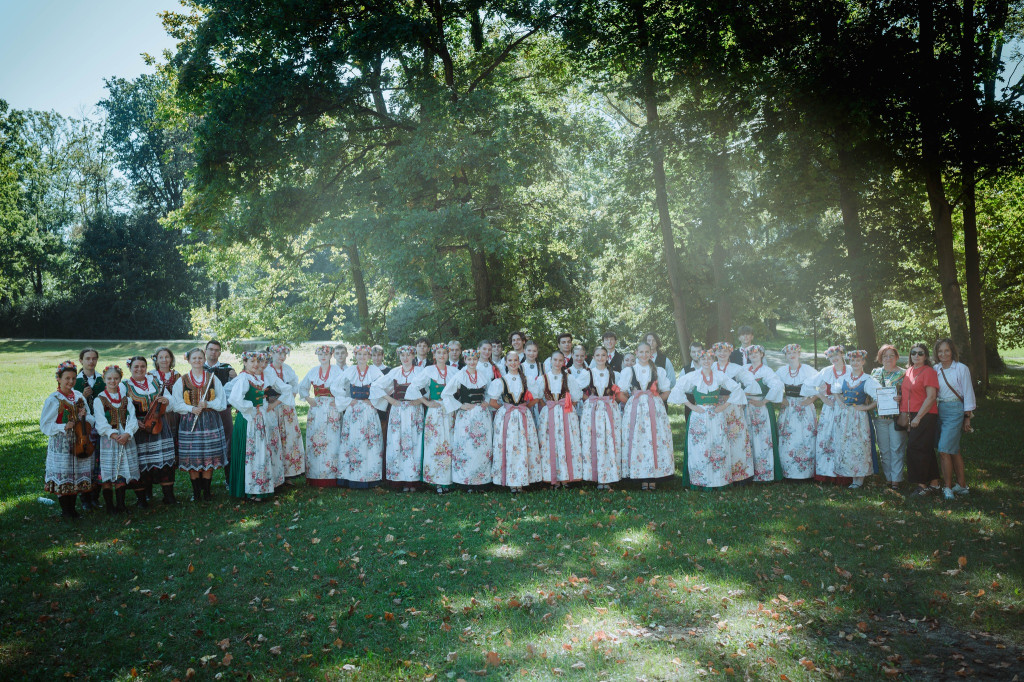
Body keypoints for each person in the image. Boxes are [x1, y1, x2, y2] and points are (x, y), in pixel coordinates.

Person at [668, 349, 748, 489]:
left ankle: (719, 481)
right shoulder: (693, 376)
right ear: (699, 360)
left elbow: (737, 389)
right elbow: (677, 390)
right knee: (700, 448)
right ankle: (701, 481)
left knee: (718, 445)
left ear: (713, 361)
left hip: (716, 415)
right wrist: (691, 406)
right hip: (699, 415)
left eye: (709, 359)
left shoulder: (719, 375)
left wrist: (724, 406)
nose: (706, 361)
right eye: (703, 359)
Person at [171, 347, 228, 501]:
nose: (197, 361)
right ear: (189, 360)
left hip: (210, 421)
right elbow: (176, 404)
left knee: (208, 455)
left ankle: (207, 492)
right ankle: (196, 493)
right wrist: (192, 408)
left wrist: (208, 403)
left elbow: (222, 402)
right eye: (194, 358)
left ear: (204, 360)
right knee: (193, 456)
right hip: (190, 422)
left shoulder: (212, 378)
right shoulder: (181, 380)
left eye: (200, 358)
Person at [617, 342, 674, 490]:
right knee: (638, 439)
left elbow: (666, 390)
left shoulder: (658, 370)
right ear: (636, 353)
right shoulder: (630, 371)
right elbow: (620, 391)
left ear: (651, 353)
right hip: (635, 409)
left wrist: (655, 401)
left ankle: (654, 475)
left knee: (654, 438)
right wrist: (631, 401)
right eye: (641, 352)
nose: (644, 355)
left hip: (654, 409)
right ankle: (640, 474)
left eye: (646, 352)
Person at [42, 361, 94, 519]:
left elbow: (91, 418)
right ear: (58, 378)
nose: (70, 382)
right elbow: (45, 426)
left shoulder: (78, 396)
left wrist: (85, 416)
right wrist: (63, 426)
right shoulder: (53, 399)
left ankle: (73, 509)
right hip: (62, 443)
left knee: (75, 474)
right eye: (66, 378)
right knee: (64, 474)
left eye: (73, 378)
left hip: (79, 440)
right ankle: (67, 511)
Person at [227, 351, 280, 501]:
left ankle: (259, 487)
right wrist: (251, 408)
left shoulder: (255, 378)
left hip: (257, 418)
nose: (255, 364)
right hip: (248, 420)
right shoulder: (243, 378)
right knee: (250, 453)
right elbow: (234, 399)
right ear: (244, 363)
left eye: (257, 361)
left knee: (258, 451)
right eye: (251, 362)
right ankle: (249, 489)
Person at [371, 345, 426, 491]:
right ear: (399, 357)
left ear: (413, 356)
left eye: (408, 355)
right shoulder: (394, 372)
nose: (405, 358)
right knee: (397, 443)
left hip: (415, 411)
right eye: (402, 355)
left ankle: (412, 481)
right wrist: (391, 401)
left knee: (414, 442)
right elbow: (376, 386)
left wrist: (420, 400)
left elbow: (430, 389)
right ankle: (398, 479)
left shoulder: (421, 371)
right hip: (398, 411)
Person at [124, 355, 176, 506]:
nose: (140, 369)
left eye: (142, 366)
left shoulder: (155, 381)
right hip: (138, 427)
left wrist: (167, 401)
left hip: (159, 425)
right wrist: (134, 422)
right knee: (141, 461)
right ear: (130, 368)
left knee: (164, 460)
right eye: (136, 367)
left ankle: (168, 496)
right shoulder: (124, 385)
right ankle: (142, 498)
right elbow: (122, 409)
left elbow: (171, 401)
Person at [333, 345, 386, 488]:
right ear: (355, 356)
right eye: (359, 354)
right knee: (353, 440)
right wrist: (347, 401)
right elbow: (335, 386)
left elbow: (387, 386)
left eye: (365, 354)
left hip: (369, 411)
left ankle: (370, 477)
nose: (362, 357)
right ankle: (352, 477)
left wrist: (374, 400)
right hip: (353, 410)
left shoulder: (375, 371)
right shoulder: (350, 371)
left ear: (369, 356)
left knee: (369, 441)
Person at [488, 351, 541, 493]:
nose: (513, 363)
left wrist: (523, 407)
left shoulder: (527, 379)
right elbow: (492, 402)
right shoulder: (500, 381)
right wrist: (507, 409)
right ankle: (511, 481)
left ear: (519, 362)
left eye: (515, 360)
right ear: (505, 363)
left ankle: (522, 480)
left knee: (523, 446)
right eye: (510, 360)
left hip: (523, 416)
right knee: (509, 447)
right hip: (507, 417)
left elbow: (536, 398)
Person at [440, 349, 494, 491]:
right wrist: (460, 405)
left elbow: (489, 392)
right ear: (465, 360)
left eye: (474, 359)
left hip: (481, 415)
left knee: (482, 447)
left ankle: (481, 481)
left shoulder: (483, 375)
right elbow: (446, 394)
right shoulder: (460, 376)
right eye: (469, 360)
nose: (472, 362)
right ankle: (466, 481)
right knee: (466, 447)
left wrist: (486, 402)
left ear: (477, 360)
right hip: (466, 417)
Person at [409, 343, 457, 494]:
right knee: (435, 444)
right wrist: (426, 402)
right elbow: (413, 387)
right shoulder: (428, 371)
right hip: (435, 411)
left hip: (449, 411)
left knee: (449, 443)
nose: (442, 355)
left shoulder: (454, 371)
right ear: (434, 356)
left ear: (448, 355)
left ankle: (449, 480)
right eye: (439, 353)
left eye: (444, 353)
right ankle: (436, 481)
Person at [532, 350, 584, 488]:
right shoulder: (543, 378)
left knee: (566, 442)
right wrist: (549, 406)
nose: (557, 363)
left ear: (564, 362)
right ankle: (551, 477)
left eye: (560, 360)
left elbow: (576, 398)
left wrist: (565, 408)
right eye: (555, 360)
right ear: (550, 361)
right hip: (549, 414)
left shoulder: (568, 378)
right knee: (550, 443)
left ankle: (566, 477)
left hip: (565, 413)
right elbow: (538, 397)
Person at [93, 365, 141, 513]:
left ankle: (121, 504)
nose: (112, 381)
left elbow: (133, 419)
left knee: (121, 470)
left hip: (126, 438)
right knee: (108, 472)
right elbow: (100, 422)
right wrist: (113, 435)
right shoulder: (99, 399)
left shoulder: (126, 399)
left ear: (120, 380)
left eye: (116, 378)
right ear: (104, 379)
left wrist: (127, 434)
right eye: (109, 379)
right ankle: (109, 506)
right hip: (109, 440)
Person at [934, 338, 977, 499]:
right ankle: (963, 485)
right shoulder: (935, 369)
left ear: (952, 351)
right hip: (939, 410)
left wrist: (967, 417)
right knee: (954, 449)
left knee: (944, 449)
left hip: (955, 410)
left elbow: (968, 393)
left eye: (946, 350)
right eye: (940, 351)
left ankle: (947, 487)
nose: (943, 354)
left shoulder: (961, 368)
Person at [831, 350, 880, 489]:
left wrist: (865, 408)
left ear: (863, 362)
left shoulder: (867, 380)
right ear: (850, 362)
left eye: (858, 360)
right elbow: (835, 390)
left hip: (859, 418)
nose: (856, 363)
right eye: (853, 361)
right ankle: (852, 475)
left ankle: (860, 478)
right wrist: (840, 402)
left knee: (860, 445)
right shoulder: (845, 378)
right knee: (847, 444)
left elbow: (879, 397)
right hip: (846, 416)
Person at [803, 345, 851, 485]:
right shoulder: (826, 372)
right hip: (829, 408)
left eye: (836, 355)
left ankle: (845, 474)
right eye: (831, 357)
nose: (834, 358)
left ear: (842, 354)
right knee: (827, 439)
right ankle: (827, 474)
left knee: (844, 438)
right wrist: (822, 397)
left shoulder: (850, 370)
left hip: (847, 407)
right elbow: (809, 385)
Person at [298, 345, 342, 487]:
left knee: (331, 440)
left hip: (331, 407)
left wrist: (338, 399)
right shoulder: (313, 371)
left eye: (326, 354)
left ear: (331, 356)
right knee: (315, 440)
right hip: (316, 409)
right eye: (320, 354)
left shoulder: (337, 370)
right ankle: (315, 475)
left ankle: (332, 475)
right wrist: (308, 398)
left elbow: (346, 387)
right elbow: (302, 387)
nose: (323, 356)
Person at [901, 343, 940, 496]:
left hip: (925, 414)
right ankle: (935, 483)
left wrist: (918, 417)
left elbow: (931, 397)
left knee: (915, 449)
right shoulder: (909, 371)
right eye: (913, 353)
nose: (916, 356)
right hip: (911, 415)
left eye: (920, 353)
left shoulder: (929, 372)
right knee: (926, 449)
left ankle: (922, 486)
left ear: (926, 356)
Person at [774, 344, 818, 481]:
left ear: (799, 354)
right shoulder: (781, 371)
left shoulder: (807, 370)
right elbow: (773, 386)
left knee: (806, 437)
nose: (792, 355)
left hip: (804, 407)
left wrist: (811, 399)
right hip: (789, 408)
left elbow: (822, 384)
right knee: (788, 438)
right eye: (788, 353)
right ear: (785, 356)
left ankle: (806, 473)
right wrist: (781, 399)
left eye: (794, 352)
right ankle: (788, 472)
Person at [580, 346, 621, 490]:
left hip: (609, 409)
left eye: (603, 355)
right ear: (593, 357)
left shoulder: (613, 373)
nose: (600, 358)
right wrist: (589, 399)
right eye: (597, 355)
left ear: (607, 357)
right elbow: (575, 389)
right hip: (593, 409)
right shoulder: (589, 373)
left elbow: (619, 391)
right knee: (594, 440)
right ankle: (596, 476)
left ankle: (608, 476)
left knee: (609, 440)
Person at [743, 345, 785, 482]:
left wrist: (763, 401)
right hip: (745, 407)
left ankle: (764, 474)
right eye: (750, 353)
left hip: (761, 408)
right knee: (747, 438)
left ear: (762, 354)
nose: (753, 355)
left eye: (757, 353)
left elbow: (777, 385)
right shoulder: (743, 369)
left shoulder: (766, 370)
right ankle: (747, 473)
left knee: (762, 439)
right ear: (747, 356)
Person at [870, 344, 907, 489]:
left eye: (891, 355)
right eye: (885, 356)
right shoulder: (875, 373)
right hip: (879, 417)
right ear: (880, 358)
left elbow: (912, 393)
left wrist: (901, 397)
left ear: (897, 357)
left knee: (896, 448)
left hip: (896, 417)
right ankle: (888, 477)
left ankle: (896, 480)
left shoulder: (905, 374)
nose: (888, 358)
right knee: (884, 449)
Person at [267, 344, 305, 482]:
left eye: (284, 354)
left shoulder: (288, 369)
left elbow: (295, 383)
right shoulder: (267, 370)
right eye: (279, 354)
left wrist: (293, 394)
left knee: (288, 439)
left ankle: (288, 473)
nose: (282, 357)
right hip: (272, 408)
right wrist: (275, 403)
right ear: (272, 354)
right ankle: (275, 474)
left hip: (287, 408)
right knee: (274, 439)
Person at [74, 348, 104, 511]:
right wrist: (83, 397)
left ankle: (95, 496)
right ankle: (84, 497)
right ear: (81, 361)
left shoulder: (102, 379)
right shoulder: (76, 381)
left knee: (99, 460)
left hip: (100, 425)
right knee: (85, 460)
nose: (91, 362)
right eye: (87, 359)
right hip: (83, 427)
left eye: (94, 358)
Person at [203, 340, 236, 477]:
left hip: (223, 410)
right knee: (205, 442)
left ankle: (229, 478)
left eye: (216, 350)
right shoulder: (199, 367)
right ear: (205, 350)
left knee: (229, 440)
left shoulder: (227, 368)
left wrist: (234, 376)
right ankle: (205, 479)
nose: (213, 352)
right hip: (205, 411)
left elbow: (236, 389)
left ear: (220, 352)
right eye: (211, 349)